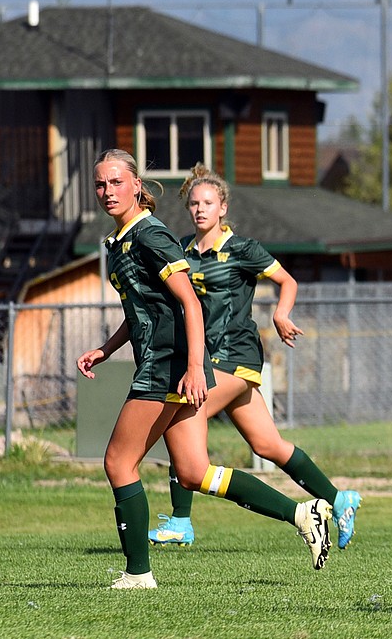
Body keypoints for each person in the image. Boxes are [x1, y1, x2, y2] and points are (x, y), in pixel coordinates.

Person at [77, 149, 332, 590]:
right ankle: (301, 513)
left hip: (167, 367)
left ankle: (138, 573)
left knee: (119, 462)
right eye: (100, 184)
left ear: (137, 185)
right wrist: (106, 348)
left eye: (116, 182)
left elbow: (189, 303)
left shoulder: (150, 236)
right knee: (194, 472)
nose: (107, 191)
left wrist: (196, 368)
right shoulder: (119, 241)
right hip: (167, 364)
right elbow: (141, 307)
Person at [148, 164, 361, 550]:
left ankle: (181, 521)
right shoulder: (179, 250)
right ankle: (338, 499)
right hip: (205, 359)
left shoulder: (242, 250)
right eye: (194, 203)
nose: (200, 209)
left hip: (234, 357)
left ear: (223, 207)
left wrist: (281, 313)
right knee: (268, 446)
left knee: (176, 414)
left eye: (208, 203)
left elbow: (287, 281)